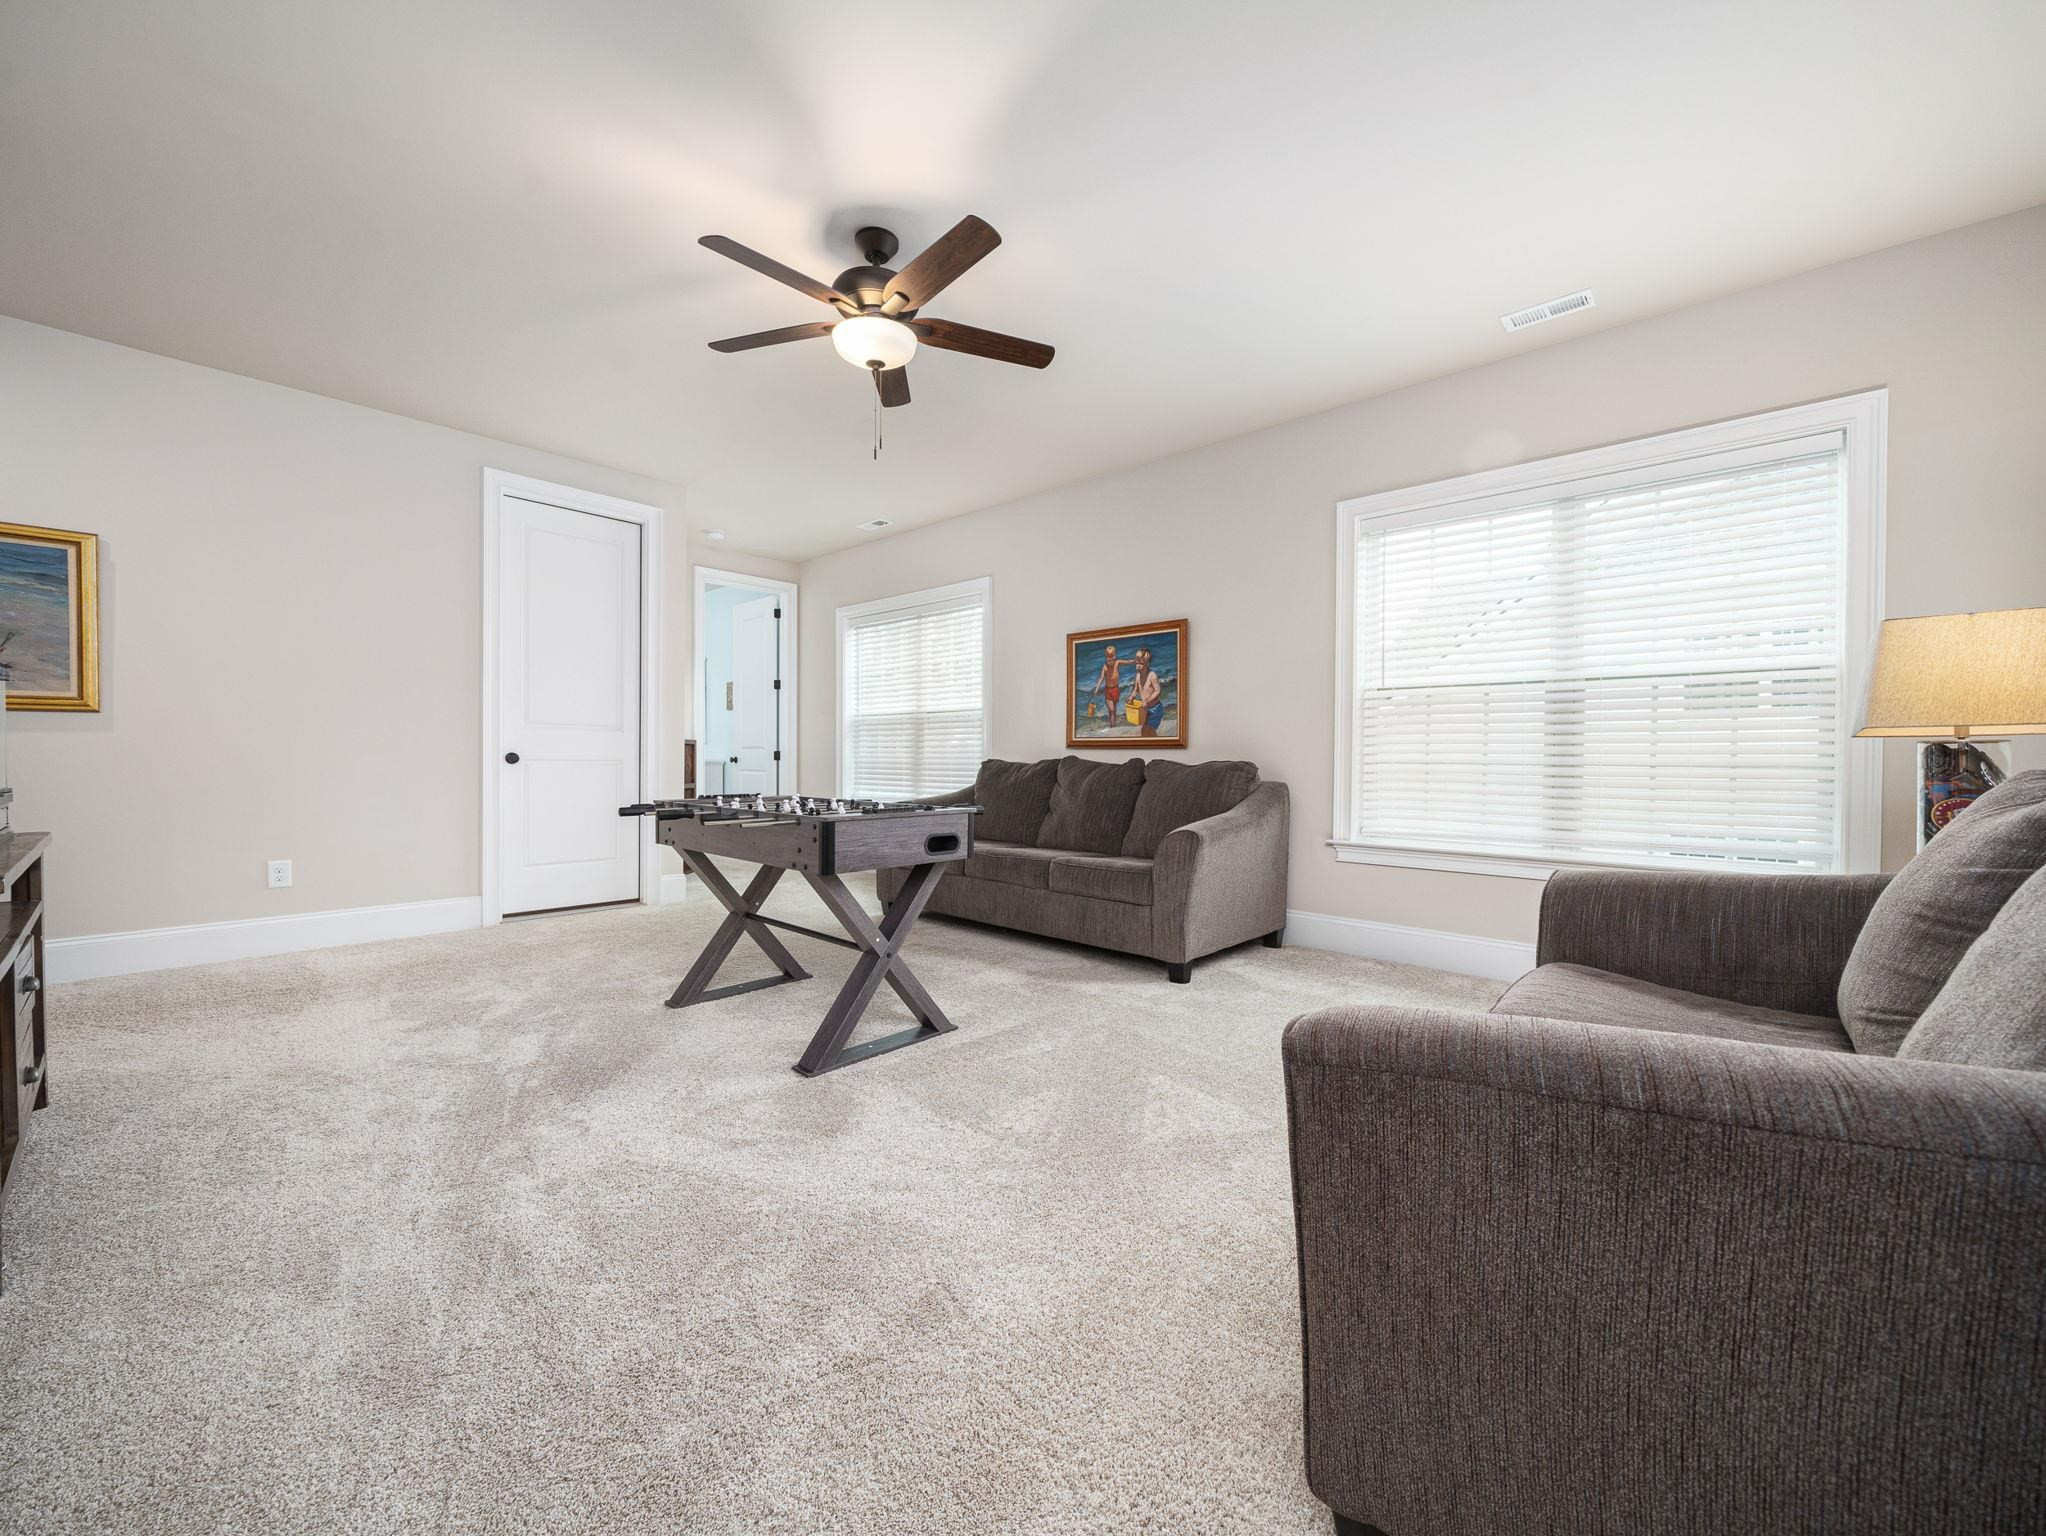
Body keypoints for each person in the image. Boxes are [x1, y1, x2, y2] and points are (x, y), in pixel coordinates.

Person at [1083, 643, 1125, 725]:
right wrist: (1097, 688)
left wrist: (1136, 661)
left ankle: (1113, 726)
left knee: (1114, 710)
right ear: (1106, 657)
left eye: (1112, 658)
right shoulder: (1105, 667)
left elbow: (1128, 662)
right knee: (1111, 710)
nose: (1111, 661)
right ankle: (1112, 725)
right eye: (1109, 659)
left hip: (1116, 690)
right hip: (1108, 691)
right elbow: (1101, 678)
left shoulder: (1117, 663)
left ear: (1115, 656)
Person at [1130, 647, 1166, 737]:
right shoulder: (1138, 676)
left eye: (1141, 663)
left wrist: (1148, 701)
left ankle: (1156, 743)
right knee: (1144, 732)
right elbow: (1135, 690)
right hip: (1145, 709)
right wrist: (1132, 697)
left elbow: (1158, 691)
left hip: (1155, 709)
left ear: (1148, 664)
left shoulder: (1152, 675)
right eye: (1137, 663)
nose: (1138, 666)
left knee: (1150, 731)